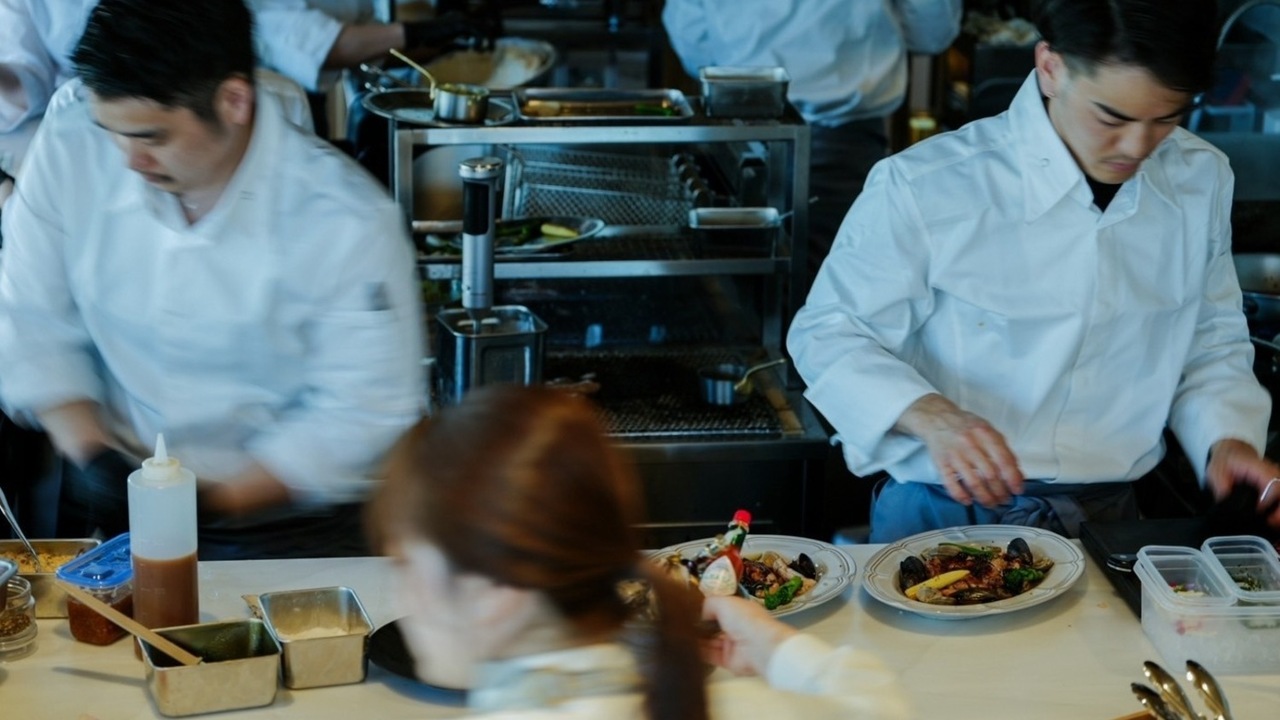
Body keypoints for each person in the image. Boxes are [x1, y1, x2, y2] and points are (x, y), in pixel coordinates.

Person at [787, 0, 1280, 543]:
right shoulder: (928, 183)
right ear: (1051, 67)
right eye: (1111, 117)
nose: (1137, 146)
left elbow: (1208, 342)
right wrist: (929, 413)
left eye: (1166, 118)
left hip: (1109, 523)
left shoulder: (1199, 178)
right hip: (945, 515)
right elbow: (829, 333)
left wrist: (1226, 438)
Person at [0, 0, 425, 559]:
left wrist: (212, 504)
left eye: (151, 137)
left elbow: (365, 406)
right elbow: (30, 315)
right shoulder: (74, 137)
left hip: (285, 527)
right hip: (114, 493)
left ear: (234, 101)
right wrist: (93, 454)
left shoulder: (343, 218)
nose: (129, 160)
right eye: (113, 132)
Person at [366, 384, 909, 719]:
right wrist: (778, 649)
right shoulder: (727, 704)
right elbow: (876, 705)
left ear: (493, 593)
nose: (400, 592)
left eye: (408, 565)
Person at [662, 0, 962, 285]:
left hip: (741, 124)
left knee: (742, 286)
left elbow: (690, 33)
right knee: (834, 291)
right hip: (843, 134)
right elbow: (931, 32)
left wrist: (740, 62)